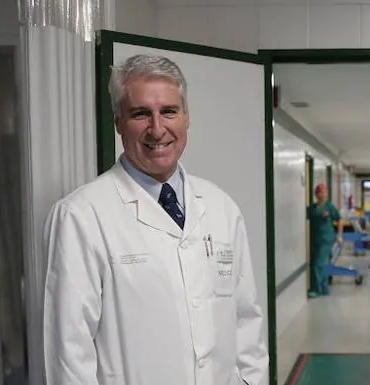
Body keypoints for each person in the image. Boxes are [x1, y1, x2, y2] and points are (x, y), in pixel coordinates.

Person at [43, 54, 268, 385]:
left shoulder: (221, 207)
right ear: (118, 122)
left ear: (186, 118)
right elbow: (69, 353)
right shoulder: (81, 216)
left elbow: (246, 321)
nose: (157, 128)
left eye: (169, 112)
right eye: (140, 114)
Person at [307, 183, 343, 298]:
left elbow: (339, 220)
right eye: (319, 192)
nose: (322, 194)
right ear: (316, 194)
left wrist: (339, 236)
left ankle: (317, 289)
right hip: (314, 239)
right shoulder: (311, 208)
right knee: (319, 264)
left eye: (324, 192)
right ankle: (324, 288)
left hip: (327, 239)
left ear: (327, 194)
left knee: (318, 264)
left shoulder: (329, 207)